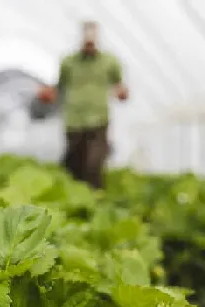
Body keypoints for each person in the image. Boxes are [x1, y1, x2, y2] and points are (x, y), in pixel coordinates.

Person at [37, 21, 128, 189]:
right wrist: (48, 94)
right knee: (74, 165)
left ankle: (95, 200)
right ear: (81, 38)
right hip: (74, 120)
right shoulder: (69, 63)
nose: (89, 43)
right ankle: (73, 201)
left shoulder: (109, 62)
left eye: (92, 40)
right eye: (87, 40)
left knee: (94, 164)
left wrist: (122, 93)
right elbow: (59, 86)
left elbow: (120, 86)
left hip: (99, 119)